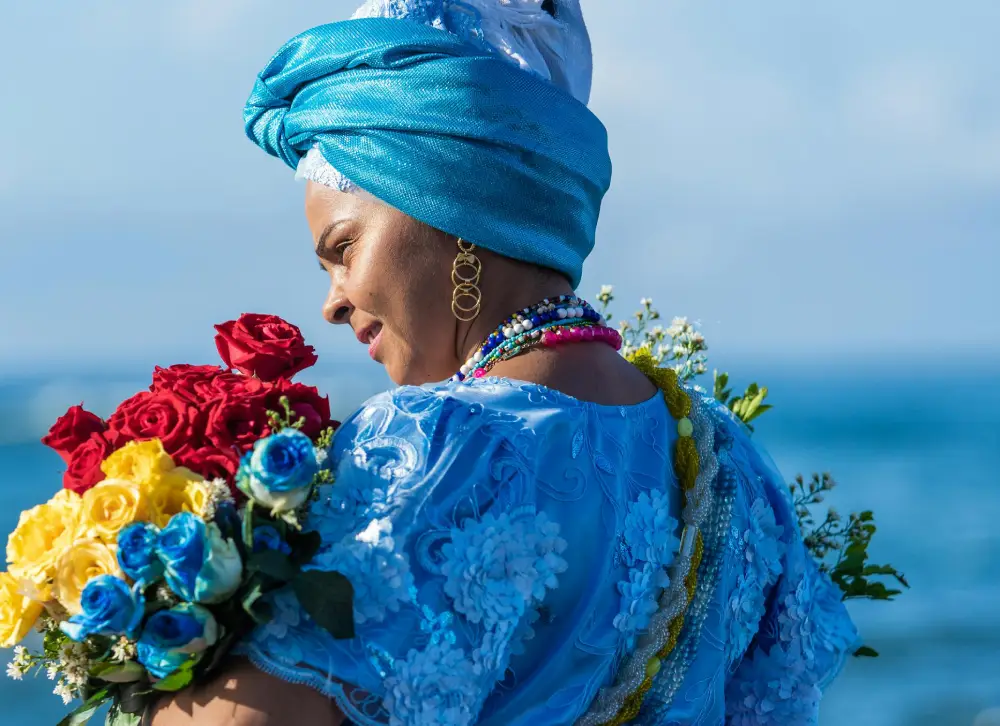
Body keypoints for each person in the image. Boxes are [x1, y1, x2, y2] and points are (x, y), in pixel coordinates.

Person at [150, 1, 858, 724]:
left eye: (342, 250)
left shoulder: (436, 442)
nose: (332, 303)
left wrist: (129, 641)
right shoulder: (727, 463)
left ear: (444, 204)